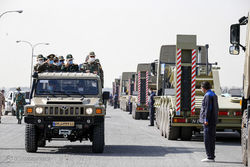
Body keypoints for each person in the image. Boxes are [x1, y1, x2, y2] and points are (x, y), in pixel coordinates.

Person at [199, 81, 219, 162]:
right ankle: (211, 156)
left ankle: (209, 156)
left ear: (204, 88)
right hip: (213, 120)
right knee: (212, 138)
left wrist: (205, 119)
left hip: (208, 121)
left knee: (207, 139)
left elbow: (207, 108)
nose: (200, 89)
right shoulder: (213, 94)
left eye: (201, 87)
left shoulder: (207, 96)